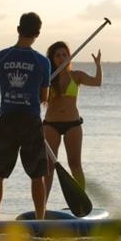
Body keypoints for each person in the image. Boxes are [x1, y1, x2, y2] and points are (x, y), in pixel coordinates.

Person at [0, 12, 51, 220]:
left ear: (18, 29)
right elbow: (44, 97)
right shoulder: (42, 62)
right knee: (37, 175)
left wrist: (0, 76)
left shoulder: (0, 57)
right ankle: (40, 221)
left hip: (7, 120)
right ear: (37, 33)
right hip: (31, 121)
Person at [43, 41, 102, 195]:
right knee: (48, 166)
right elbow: (38, 99)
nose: (61, 58)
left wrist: (98, 65)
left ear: (69, 57)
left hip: (73, 124)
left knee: (75, 164)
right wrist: (43, 83)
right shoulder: (47, 78)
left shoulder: (76, 76)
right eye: (57, 55)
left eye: (64, 55)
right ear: (52, 59)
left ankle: (82, 202)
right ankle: (42, 207)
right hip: (51, 125)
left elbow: (97, 82)